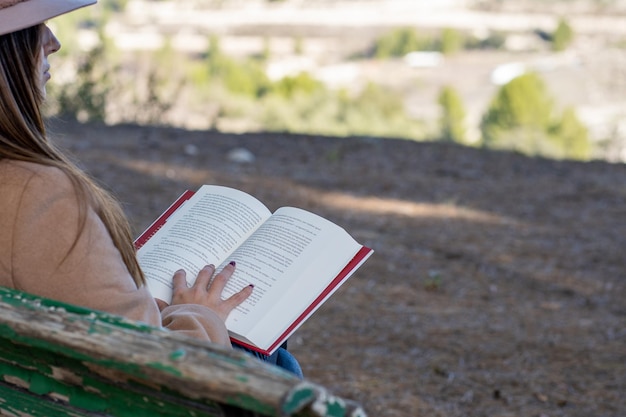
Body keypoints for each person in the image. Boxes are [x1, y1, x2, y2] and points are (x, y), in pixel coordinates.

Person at [0, 0, 302, 377]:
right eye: (33, 25)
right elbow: (145, 370)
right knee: (271, 355)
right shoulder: (37, 193)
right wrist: (199, 315)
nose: (52, 40)